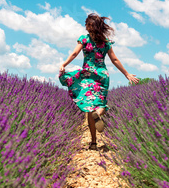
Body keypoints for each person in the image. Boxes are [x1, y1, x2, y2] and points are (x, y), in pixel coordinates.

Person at [59, 13, 139, 150]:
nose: (85, 26)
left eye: (86, 24)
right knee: (100, 104)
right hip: (102, 75)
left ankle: (94, 143)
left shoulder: (84, 39)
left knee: (89, 108)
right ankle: (100, 113)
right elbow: (114, 60)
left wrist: (64, 64)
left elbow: (74, 54)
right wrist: (126, 74)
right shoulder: (105, 42)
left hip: (88, 75)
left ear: (89, 26)